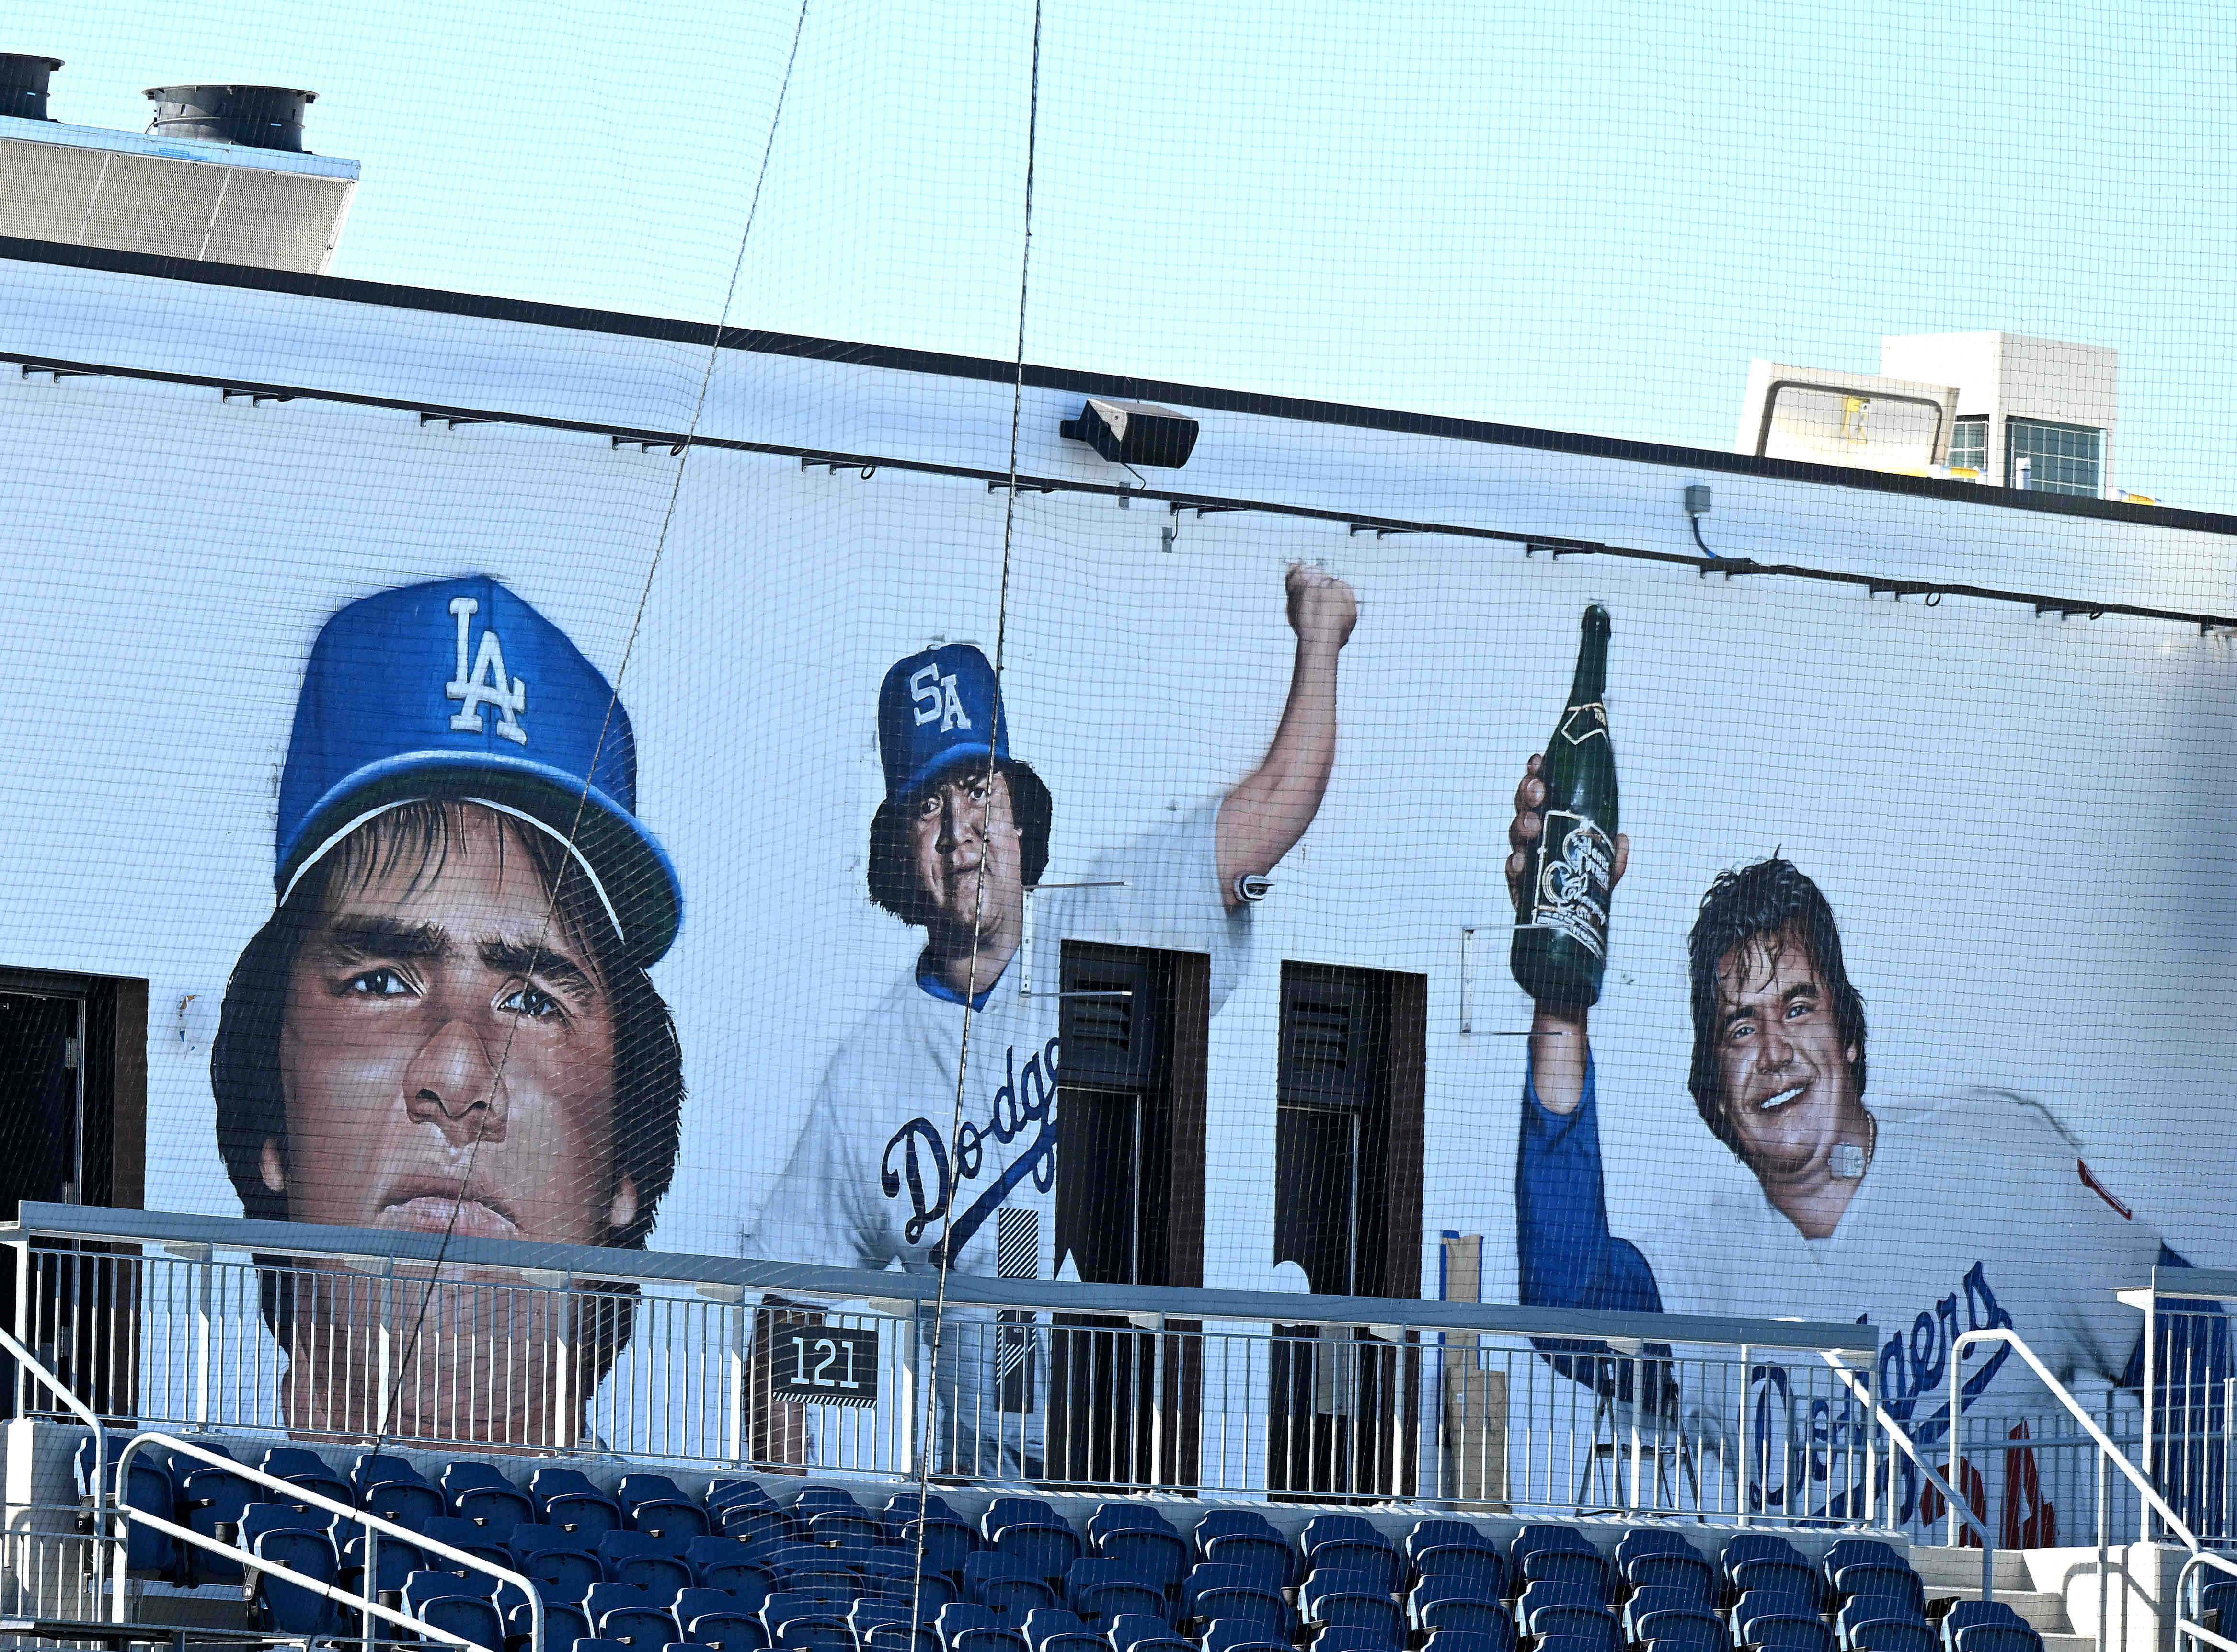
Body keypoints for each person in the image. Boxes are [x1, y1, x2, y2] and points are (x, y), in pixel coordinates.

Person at [749, 562, 1358, 1472]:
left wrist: (1319, 639)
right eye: (928, 806)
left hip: (1133, 1470)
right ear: (900, 855)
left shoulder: (1111, 930)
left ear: (1020, 820)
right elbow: (787, 1307)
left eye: (979, 790)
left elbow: (1271, 811)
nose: (959, 830)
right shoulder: (868, 1079)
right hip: (970, 1492)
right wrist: (790, 1510)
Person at [1508, 802, 2215, 1541]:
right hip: (1827, 1614)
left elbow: (2189, 1336)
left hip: (2017, 1609)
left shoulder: (1995, 1158)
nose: (1774, 1052)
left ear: (1846, 1031)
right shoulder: (1707, 1265)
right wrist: (1561, 999)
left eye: (1798, 1008)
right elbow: (1569, 1312)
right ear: (1715, 1091)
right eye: (1741, 1028)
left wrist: (2207, 1563)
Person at [210, 575, 685, 1447]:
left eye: (532, 1000)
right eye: (381, 982)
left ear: (626, 1160)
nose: (460, 1077)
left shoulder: (697, 1545)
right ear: (271, 1115)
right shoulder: (169, 1517)